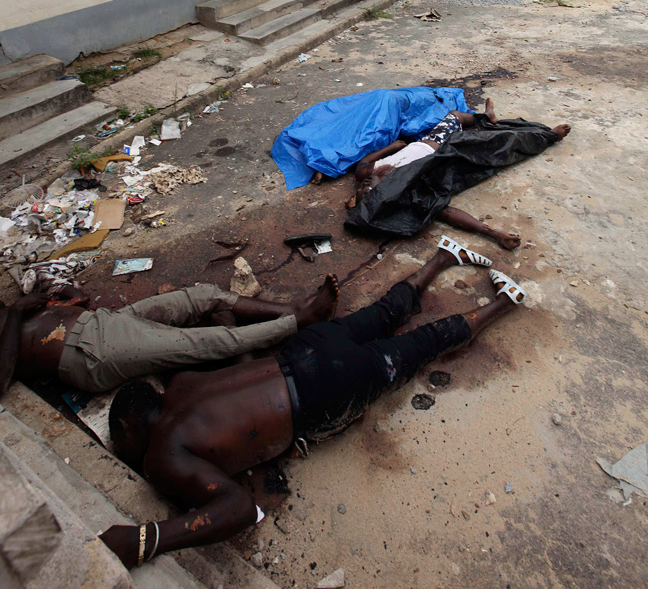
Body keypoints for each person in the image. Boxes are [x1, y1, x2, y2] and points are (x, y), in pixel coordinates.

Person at [101, 244, 529, 569]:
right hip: (307, 347)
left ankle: (505, 302)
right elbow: (239, 371)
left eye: (117, 438)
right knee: (383, 313)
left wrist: (146, 540)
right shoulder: (182, 386)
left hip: (325, 387)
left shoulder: (161, 455)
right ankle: (442, 257)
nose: (119, 447)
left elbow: (238, 509)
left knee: (422, 345)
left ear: (129, 427)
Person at [0, 280, 338, 397]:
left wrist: (66, 297)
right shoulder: (10, 314)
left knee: (203, 296)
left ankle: (289, 310)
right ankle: (298, 322)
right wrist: (16, 313)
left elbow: (75, 301)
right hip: (90, 353)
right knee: (203, 341)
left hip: (102, 322)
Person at [352, 98, 571, 249]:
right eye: (371, 190)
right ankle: (549, 136)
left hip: (430, 140)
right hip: (450, 153)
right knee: (498, 143)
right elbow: (445, 212)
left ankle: (486, 118)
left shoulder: (367, 172)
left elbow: (364, 162)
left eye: (363, 188)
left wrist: (392, 147)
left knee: (455, 116)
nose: (366, 185)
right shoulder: (407, 191)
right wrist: (493, 233)